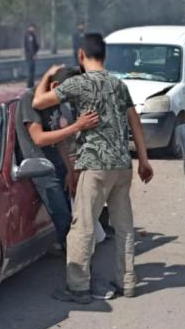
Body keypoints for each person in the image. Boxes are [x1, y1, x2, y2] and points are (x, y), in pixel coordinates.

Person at [33, 33, 154, 303]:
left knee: (83, 227)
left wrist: (48, 75)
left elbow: (38, 102)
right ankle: (128, 282)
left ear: (81, 55)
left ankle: (77, 287)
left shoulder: (79, 84)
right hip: (122, 165)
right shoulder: (119, 84)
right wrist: (144, 160)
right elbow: (134, 121)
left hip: (95, 164)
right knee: (124, 227)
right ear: (105, 55)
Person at [15, 67, 99, 249]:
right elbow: (39, 138)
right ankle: (75, 261)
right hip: (40, 167)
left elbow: (58, 138)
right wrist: (77, 126)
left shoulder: (53, 101)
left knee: (75, 213)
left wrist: (69, 170)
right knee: (64, 220)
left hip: (57, 164)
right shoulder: (30, 100)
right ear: (55, 86)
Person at [24, 23, 40, 88]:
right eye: (32, 27)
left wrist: (37, 47)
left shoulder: (32, 35)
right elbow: (30, 46)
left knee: (32, 71)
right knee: (31, 71)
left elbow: (34, 45)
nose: (34, 29)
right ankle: (29, 86)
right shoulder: (28, 35)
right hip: (30, 56)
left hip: (31, 55)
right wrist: (33, 55)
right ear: (29, 28)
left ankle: (31, 85)